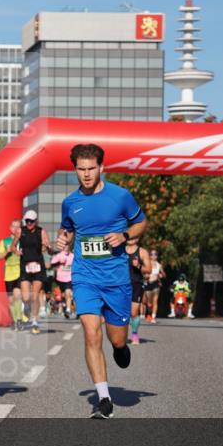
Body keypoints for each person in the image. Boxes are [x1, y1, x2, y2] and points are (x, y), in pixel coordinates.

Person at [56, 143, 146, 419]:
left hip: (116, 279)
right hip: (85, 277)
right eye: (81, 169)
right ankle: (104, 398)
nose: (86, 174)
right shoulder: (70, 202)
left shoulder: (120, 196)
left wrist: (126, 236)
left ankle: (121, 347)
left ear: (101, 168)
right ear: (75, 170)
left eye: (91, 168)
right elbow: (67, 230)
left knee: (116, 339)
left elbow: (141, 222)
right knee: (91, 331)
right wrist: (63, 238)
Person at [19, 209, 51, 334]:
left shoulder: (41, 231)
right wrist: (17, 251)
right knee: (26, 296)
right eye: (27, 221)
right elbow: (13, 246)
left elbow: (45, 248)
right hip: (25, 265)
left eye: (31, 221)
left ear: (35, 221)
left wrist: (46, 246)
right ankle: (26, 308)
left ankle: (35, 321)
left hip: (38, 266)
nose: (29, 223)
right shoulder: (20, 231)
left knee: (35, 295)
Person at [0, 219, 26, 330]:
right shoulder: (4, 241)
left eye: (18, 227)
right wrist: (7, 251)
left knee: (17, 295)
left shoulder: (23, 240)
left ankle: (19, 320)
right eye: (14, 226)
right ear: (10, 228)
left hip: (20, 271)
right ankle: (14, 320)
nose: (16, 229)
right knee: (11, 300)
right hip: (8, 273)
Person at [127, 244, 152, 343]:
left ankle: (134, 334)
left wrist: (138, 265)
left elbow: (149, 270)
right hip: (121, 284)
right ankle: (122, 334)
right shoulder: (119, 249)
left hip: (136, 284)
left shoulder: (142, 252)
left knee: (134, 312)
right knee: (123, 312)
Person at [49, 245, 75, 318]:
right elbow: (52, 264)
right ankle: (65, 306)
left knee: (68, 293)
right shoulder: (59, 255)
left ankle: (68, 309)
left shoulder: (73, 256)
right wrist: (59, 262)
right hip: (59, 279)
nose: (66, 248)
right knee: (63, 295)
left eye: (68, 246)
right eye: (65, 246)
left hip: (69, 278)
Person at [142, 249, 165, 322]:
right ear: (150, 256)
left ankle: (153, 317)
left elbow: (164, 274)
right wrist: (145, 276)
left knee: (155, 301)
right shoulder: (147, 264)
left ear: (157, 256)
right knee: (149, 303)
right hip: (148, 284)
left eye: (155, 254)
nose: (153, 256)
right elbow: (142, 273)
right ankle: (148, 313)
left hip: (156, 284)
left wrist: (161, 275)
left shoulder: (159, 265)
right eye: (152, 254)